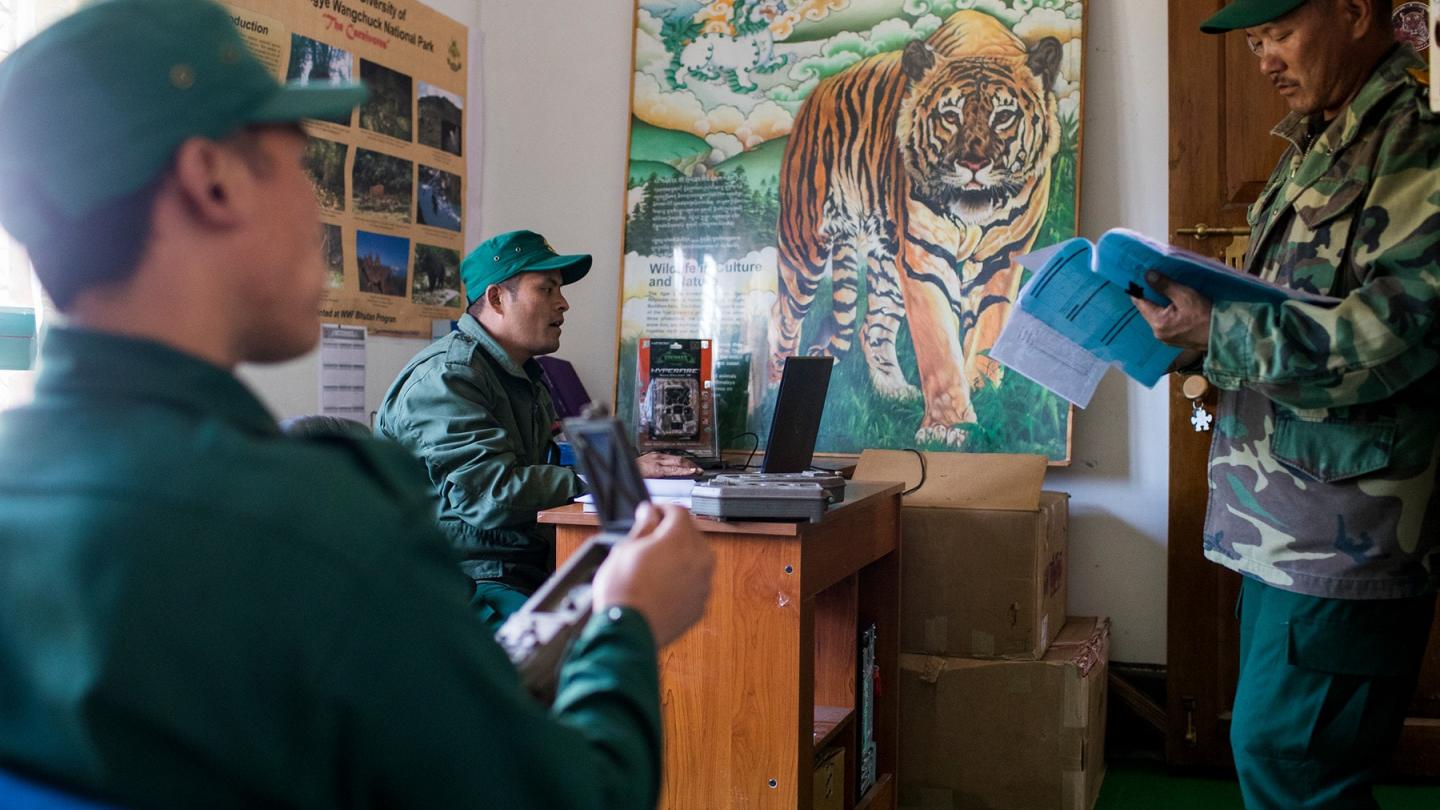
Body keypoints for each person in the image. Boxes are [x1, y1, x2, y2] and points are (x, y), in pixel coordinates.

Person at [0, 1, 713, 806]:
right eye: (298, 164)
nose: (318, 208)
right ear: (213, 181)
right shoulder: (322, 532)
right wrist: (627, 626)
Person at [1134, 0, 1438, 806]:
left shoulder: (1414, 135)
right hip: (1283, 521)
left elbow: (1395, 335)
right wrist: (1194, 324)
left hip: (1347, 534)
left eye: (1279, 34)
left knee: (1293, 767)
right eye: (1254, 41)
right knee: (1284, 759)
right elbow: (1300, 304)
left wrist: (1222, 330)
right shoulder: (1322, 136)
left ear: (1354, 12)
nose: (1263, 58)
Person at [376, 230, 701, 626]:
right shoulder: (448, 378)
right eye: (546, 289)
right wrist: (610, 475)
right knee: (601, 641)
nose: (562, 304)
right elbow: (492, 496)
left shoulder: (521, 374)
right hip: (463, 582)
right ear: (497, 298)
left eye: (559, 291)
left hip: (520, 567)